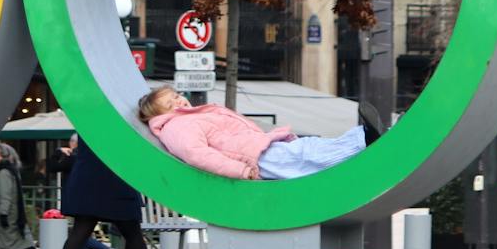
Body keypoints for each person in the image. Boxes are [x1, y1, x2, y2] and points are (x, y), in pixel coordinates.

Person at [139, 86, 366, 180]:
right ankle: (362, 141)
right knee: (308, 154)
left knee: (309, 150)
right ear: (162, 114)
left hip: (258, 150)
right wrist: (241, 171)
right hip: (253, 159)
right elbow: (198, 154)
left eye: (177, 96)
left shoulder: (189, 118)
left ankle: (360, 139)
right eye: (171, 104)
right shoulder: (177, 127)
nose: (180, 102)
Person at [53, 135, 175, 249]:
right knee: (132, 233)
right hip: (115, 180)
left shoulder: (86, 120)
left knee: (79, 232)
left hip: (86, 180)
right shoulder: (117, 118)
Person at [49, 136, 112, 249]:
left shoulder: (73, 157)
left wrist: (58, 152)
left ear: (74, 143)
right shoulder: (92, 156)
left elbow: (53, 167)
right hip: (91, 198)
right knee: (81, 229)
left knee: (78, 232)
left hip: (74, 199)